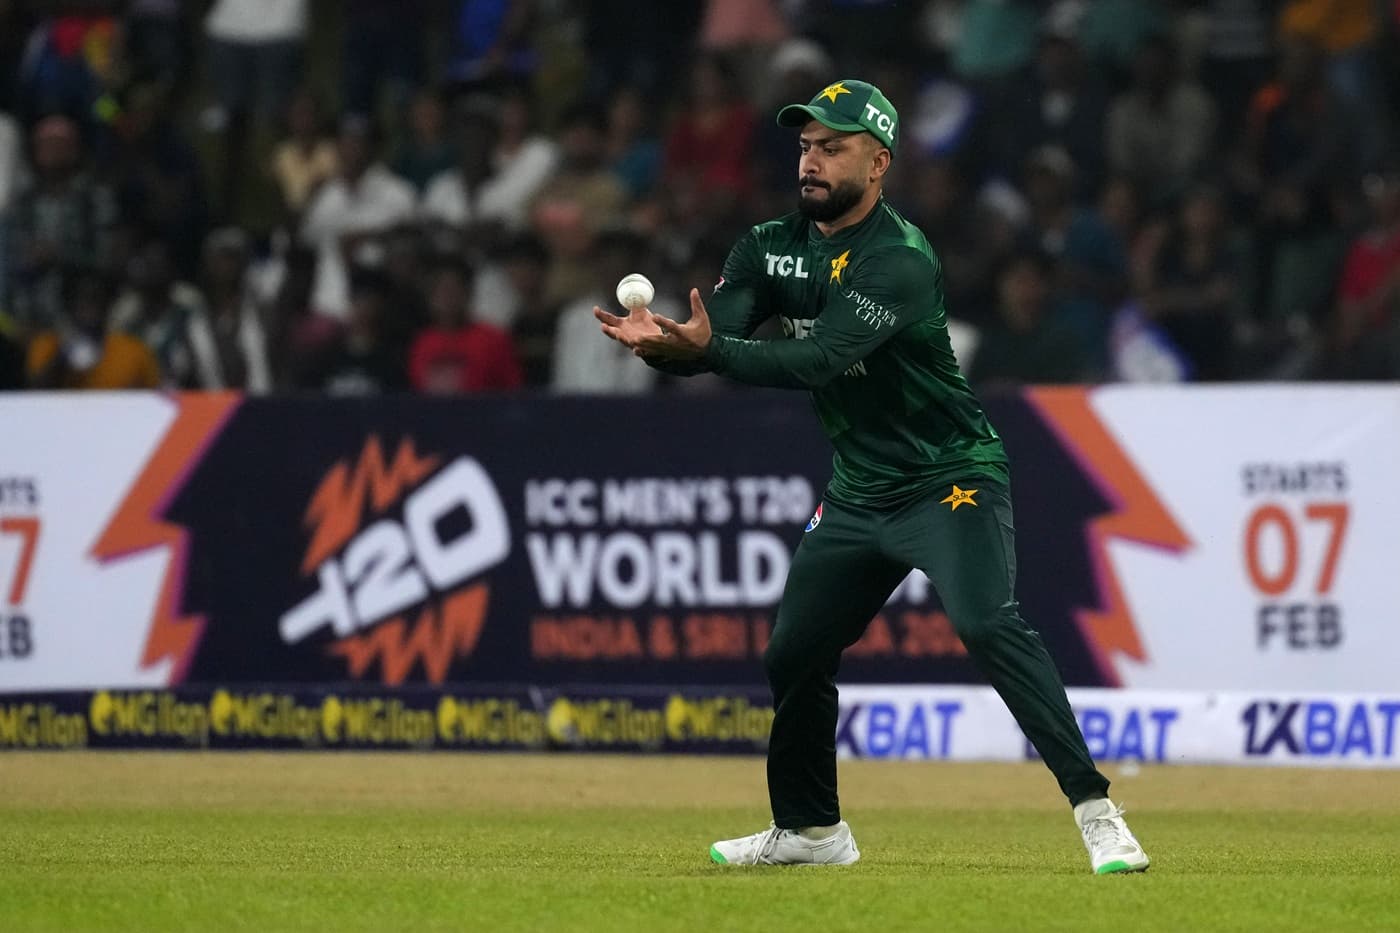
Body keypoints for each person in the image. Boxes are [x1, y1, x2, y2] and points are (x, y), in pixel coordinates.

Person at [595, 78, 1149, 874]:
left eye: (833, 147)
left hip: (949, 476)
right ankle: (812, 830)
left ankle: (1098, 812)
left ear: (879, 161)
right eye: (805, 146)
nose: (811, 161)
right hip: (859, 488)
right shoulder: (766, 246)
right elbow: (717, 343)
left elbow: (816, 358)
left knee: (987, 623)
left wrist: (707, 349)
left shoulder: (900, 260)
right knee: (793, 652)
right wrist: (666, 345)